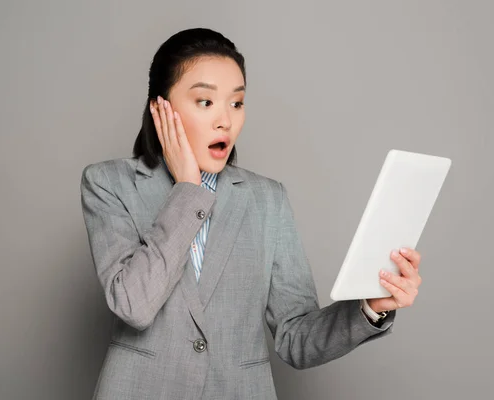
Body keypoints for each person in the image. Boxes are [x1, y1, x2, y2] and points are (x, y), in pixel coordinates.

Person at [80, 27, 422, 400]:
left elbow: (296, 338)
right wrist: (188, 191)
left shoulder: (267, 199)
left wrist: (370, 307)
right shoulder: (109, 183)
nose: (225, 120)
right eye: (205, 102)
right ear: (161, 108)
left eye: (237, 103)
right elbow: (134, 304)